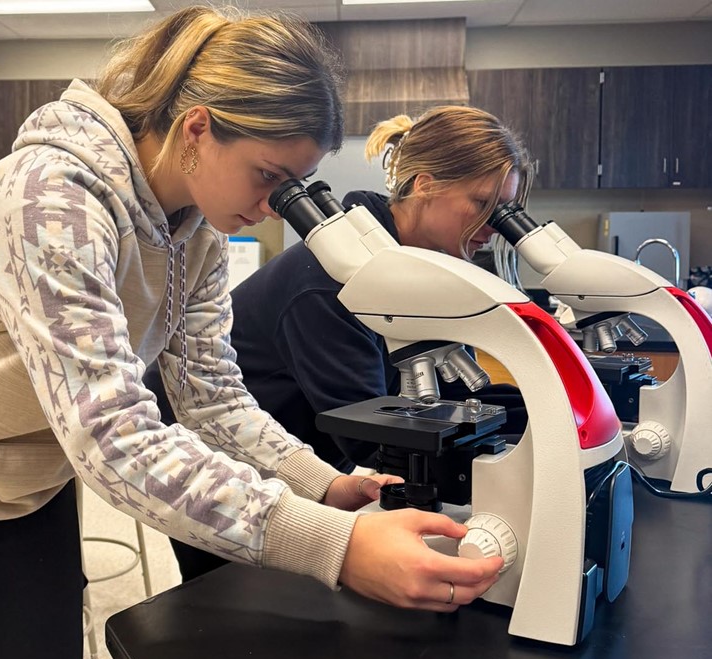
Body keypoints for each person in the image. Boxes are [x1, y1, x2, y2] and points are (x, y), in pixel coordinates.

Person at [0, 9, 503, 659]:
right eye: (267, 175)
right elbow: (113, 436)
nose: (273, 206)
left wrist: (321, 484)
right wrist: (334, 546)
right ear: (198, 128)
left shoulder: (195, 232)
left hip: (20, 474)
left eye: (293, 184)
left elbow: (211, 398)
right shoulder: (53, 197)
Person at [148, 105, 534, 581]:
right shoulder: (329, 280)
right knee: (238, 615)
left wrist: (540, 423)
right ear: (425, 184)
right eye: (482, 205)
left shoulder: (429, 272)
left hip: (300, 460)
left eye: (505, 212)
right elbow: (369, 434)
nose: (495, 227)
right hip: (213, 462)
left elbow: (456, 402)